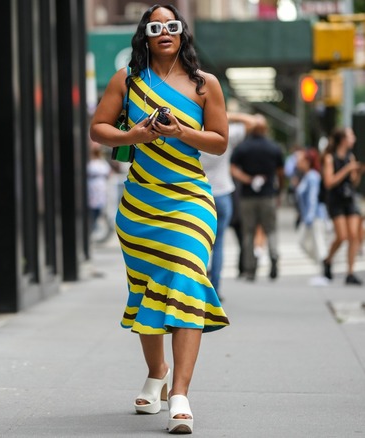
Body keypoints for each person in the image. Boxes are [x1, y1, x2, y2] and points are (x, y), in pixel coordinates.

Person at [89, 5, 229, 434]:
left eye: (172, 25)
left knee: (187, 279)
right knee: (146, 288)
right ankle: (157, 373)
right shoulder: (128, 80)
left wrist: (180, 132)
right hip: (139, 204)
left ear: (182, 33)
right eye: (156, 27)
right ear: (145, 36)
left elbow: (219, 142)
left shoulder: (205, 84)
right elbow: (98, 128)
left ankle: (179, 395)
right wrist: (135, 134)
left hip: (189, 199)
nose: (164, 32)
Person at [199, 112, 256, 299]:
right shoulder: (226, 134)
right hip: (223, 193)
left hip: (199, 193)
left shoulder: (194, 133)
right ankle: (215, 288)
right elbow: (252, 122)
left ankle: (199, 288)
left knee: (198, 244)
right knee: (219, 243)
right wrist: (227, 115)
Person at [230, 114, 284, 281]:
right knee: (271, 229)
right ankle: (273, 256)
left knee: (248, 233)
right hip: (268, 195)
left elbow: (232, 168)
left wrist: (247, 179)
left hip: (247, 197)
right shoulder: (274, 148)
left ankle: (250, 268)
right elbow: (281, 173)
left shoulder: (243, 148)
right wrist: (279, 190)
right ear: (266, 129)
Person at [320, 127, 362, 285]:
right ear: (343, 139)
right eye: (351, 136)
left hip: (349, 199)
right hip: (335, 200)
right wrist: (347, 169)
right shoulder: (330, 158)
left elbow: (353, 182)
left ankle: (350, 272)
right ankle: (328, 260)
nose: (354, 139)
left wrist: (357, 172)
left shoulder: (350, 157)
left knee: (354, 235)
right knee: (342, 236)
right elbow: (329, 182)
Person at [294, 148, 328, 264]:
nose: (298, 163)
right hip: (308, 217)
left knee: (319, 244)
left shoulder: (312, 176)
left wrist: (310, 216)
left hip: (315, 217)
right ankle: (322, 264)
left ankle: (325, 266)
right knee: (307, 243)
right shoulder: (307, 176)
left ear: (308, 162)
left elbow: (313, 198)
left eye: (301, 160)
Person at [88, 140, 114, 243]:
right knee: (93, 209)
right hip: (92, 187)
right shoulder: (90, 162)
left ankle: (94, 227)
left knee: (98, 209)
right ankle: (92, 228)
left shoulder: (101, 162)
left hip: (100, 187)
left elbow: (109, 173)